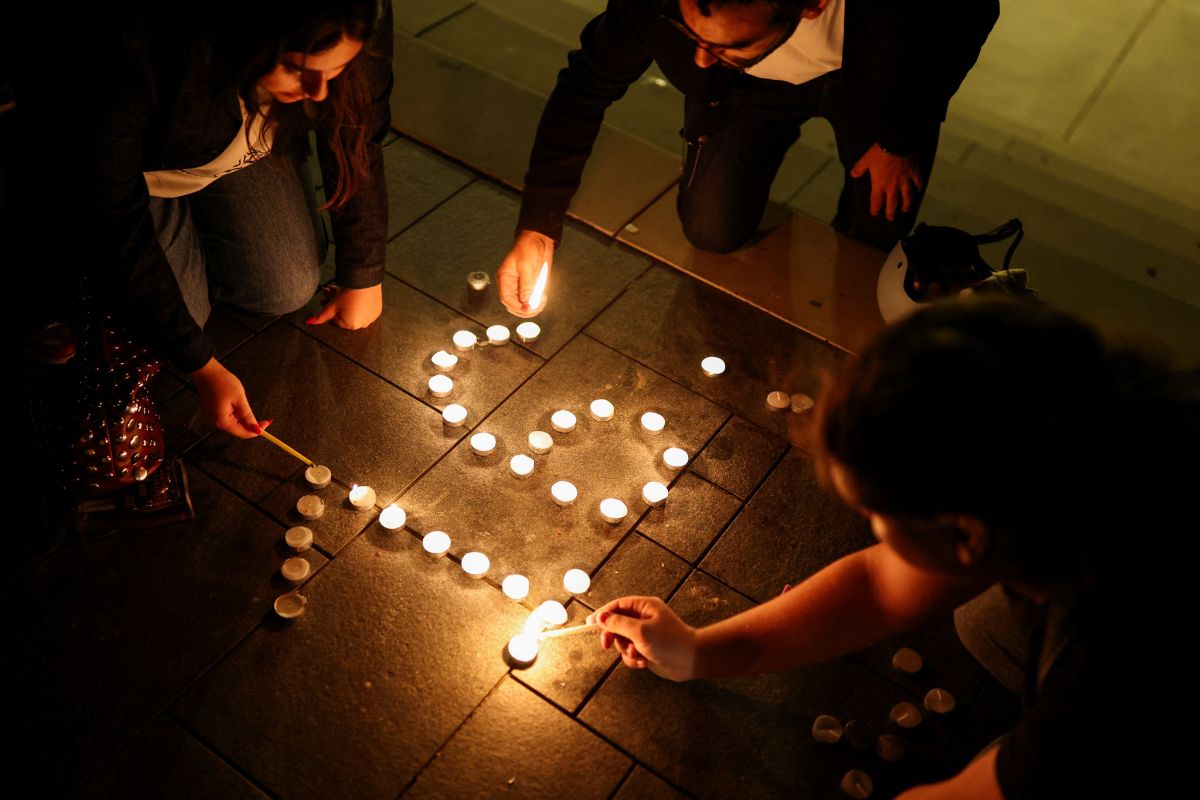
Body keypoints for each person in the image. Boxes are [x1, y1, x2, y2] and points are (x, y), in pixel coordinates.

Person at [586, 298, 1197, 797]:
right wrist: (696, 651)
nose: (875, 535)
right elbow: (879, 589)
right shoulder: (1080, 435)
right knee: (983, 620)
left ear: (966, 534)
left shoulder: (1114, 666)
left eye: (877, 516)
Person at [10, 1, 393, 439]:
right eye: (293, 67)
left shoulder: (358, 13)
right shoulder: (138, 55)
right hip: (143, 176)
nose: (320, 91)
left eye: (337, 68)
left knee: (284, 286)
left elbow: (360, 130)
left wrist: (363, 271)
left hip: (238, 150)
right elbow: (112, 214)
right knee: (174, 320)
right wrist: (201, 365)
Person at [497, 0, 999, 317]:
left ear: (811, 6)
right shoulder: (656, 4)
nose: (697, 60)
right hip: (742, 92)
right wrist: (537, 227)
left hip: (879, 86)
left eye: (725, 46)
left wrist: (900, 138)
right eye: (691, 33)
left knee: (875, 235)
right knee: (710, 228)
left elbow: (971, 18)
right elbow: (584, 87)